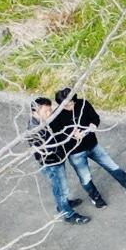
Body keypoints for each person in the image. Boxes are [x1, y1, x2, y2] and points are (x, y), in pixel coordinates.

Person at [57, 88, 126, 206]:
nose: (69, 107)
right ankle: (95, 198)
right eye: (65, 105)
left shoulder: (83, 104)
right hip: (75, 152)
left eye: (71, 104)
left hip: (93, 145)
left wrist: (93, 124)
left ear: (74, 100)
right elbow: (57, 137)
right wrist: (71, 135)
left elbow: (95, 117)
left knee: (112, 166)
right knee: (86, 177)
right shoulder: (57, 115)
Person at [29, 95, 89, 224]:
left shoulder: (43, 121)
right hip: (50, 163)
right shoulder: (34, 130)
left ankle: (63, 205)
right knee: (60, 189)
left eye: (50, 109)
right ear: (35, 111)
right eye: (46, 111)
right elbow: (49, 147)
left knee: (62, 188)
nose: (50, 113)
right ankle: (69, 215)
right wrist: (71, 137)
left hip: (57, 159)